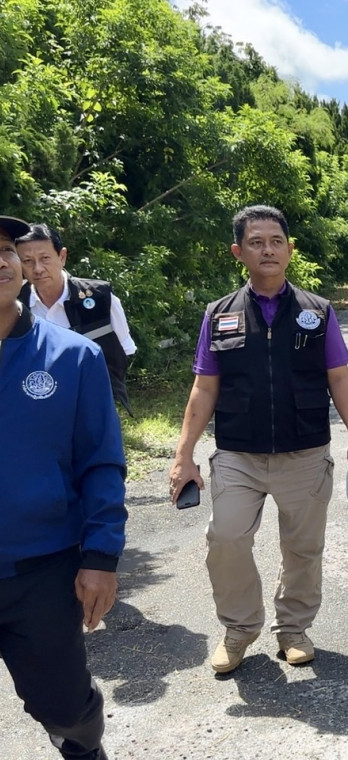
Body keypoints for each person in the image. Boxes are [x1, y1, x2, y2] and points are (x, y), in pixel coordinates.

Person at [168, 205, 348, 674]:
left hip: (305, 452)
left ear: (290, 249)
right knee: (225, 537)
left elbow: (339, 377)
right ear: (238, 252)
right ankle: (239, 629)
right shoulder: (219, 314)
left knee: (303, 548)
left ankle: (294, 629)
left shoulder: (317, 311)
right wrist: (184, 454)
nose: (268, 250)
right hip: (238, 452)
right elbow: (204, 388)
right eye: (256, 242)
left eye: (276, 241)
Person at [0, 214, 126, 760]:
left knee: (67, 708)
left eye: (5, 250)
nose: (1, 262)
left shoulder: (74, 356)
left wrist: (101, 555)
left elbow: (101, 462)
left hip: (42, 569)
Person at [16, 222, 137, 412]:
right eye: (28, 261)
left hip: (93, 403)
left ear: (62, 256)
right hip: (34, 408)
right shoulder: (14, 305)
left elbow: (123, 349)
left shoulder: (99, 297)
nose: (38, 269)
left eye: (45, 258)